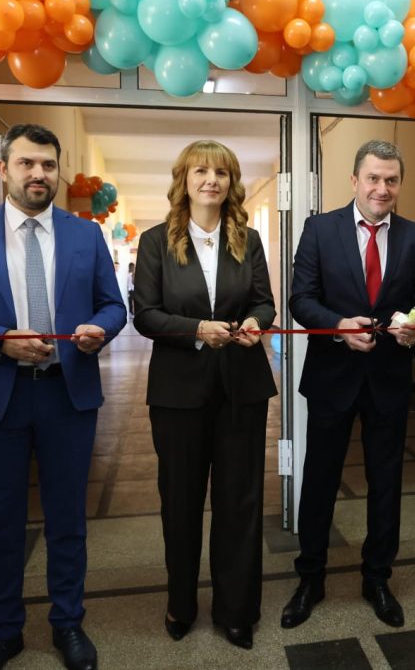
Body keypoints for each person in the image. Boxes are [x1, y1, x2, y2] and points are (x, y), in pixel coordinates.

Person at [0, 124, 126, 670]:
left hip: (67, 396)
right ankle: (4, 630)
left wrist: (99, 329)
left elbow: (113, 305)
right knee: (1, 522)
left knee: (67, 520)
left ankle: (68, 624)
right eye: (27, 163)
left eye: (48, 165)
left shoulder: (85, 236)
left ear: (58, 173)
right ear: (4, 169)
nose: (39, 174)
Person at [282, 139, 415, 630]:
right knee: (320, 481)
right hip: (332, 377)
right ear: (355, 180)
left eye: (391, 180)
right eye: (373, 178)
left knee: (386, 483)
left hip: (389, 380)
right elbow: (301, 299)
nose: (382, 188)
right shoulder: (320, 230)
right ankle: (310, 578)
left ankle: (377, 578)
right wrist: (338, 326)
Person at [132, 140, 277, 651]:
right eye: (201, 171)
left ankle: (237, 610)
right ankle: (181, 603)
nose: (211, 180)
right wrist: (196, 329)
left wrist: (256, 323)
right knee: (181, 500)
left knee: (240, 501)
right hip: (178, 391)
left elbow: (264, 302)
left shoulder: (248, 240)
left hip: (242, 387)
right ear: (184, 180)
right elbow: (145, 314)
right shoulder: (156, 241)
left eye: (221, 172)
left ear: (231, 182)